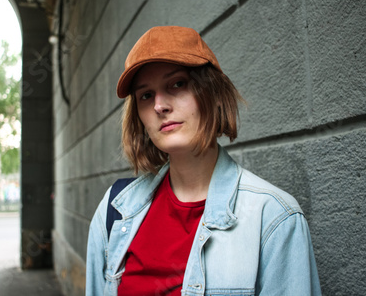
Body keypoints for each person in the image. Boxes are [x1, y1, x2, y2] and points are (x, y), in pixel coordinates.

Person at [86, 26, 321, 295]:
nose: (159, 105)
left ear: (212, 92)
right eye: (146, 95)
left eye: (177, 84)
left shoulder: (274, 218)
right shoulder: (115, 211)